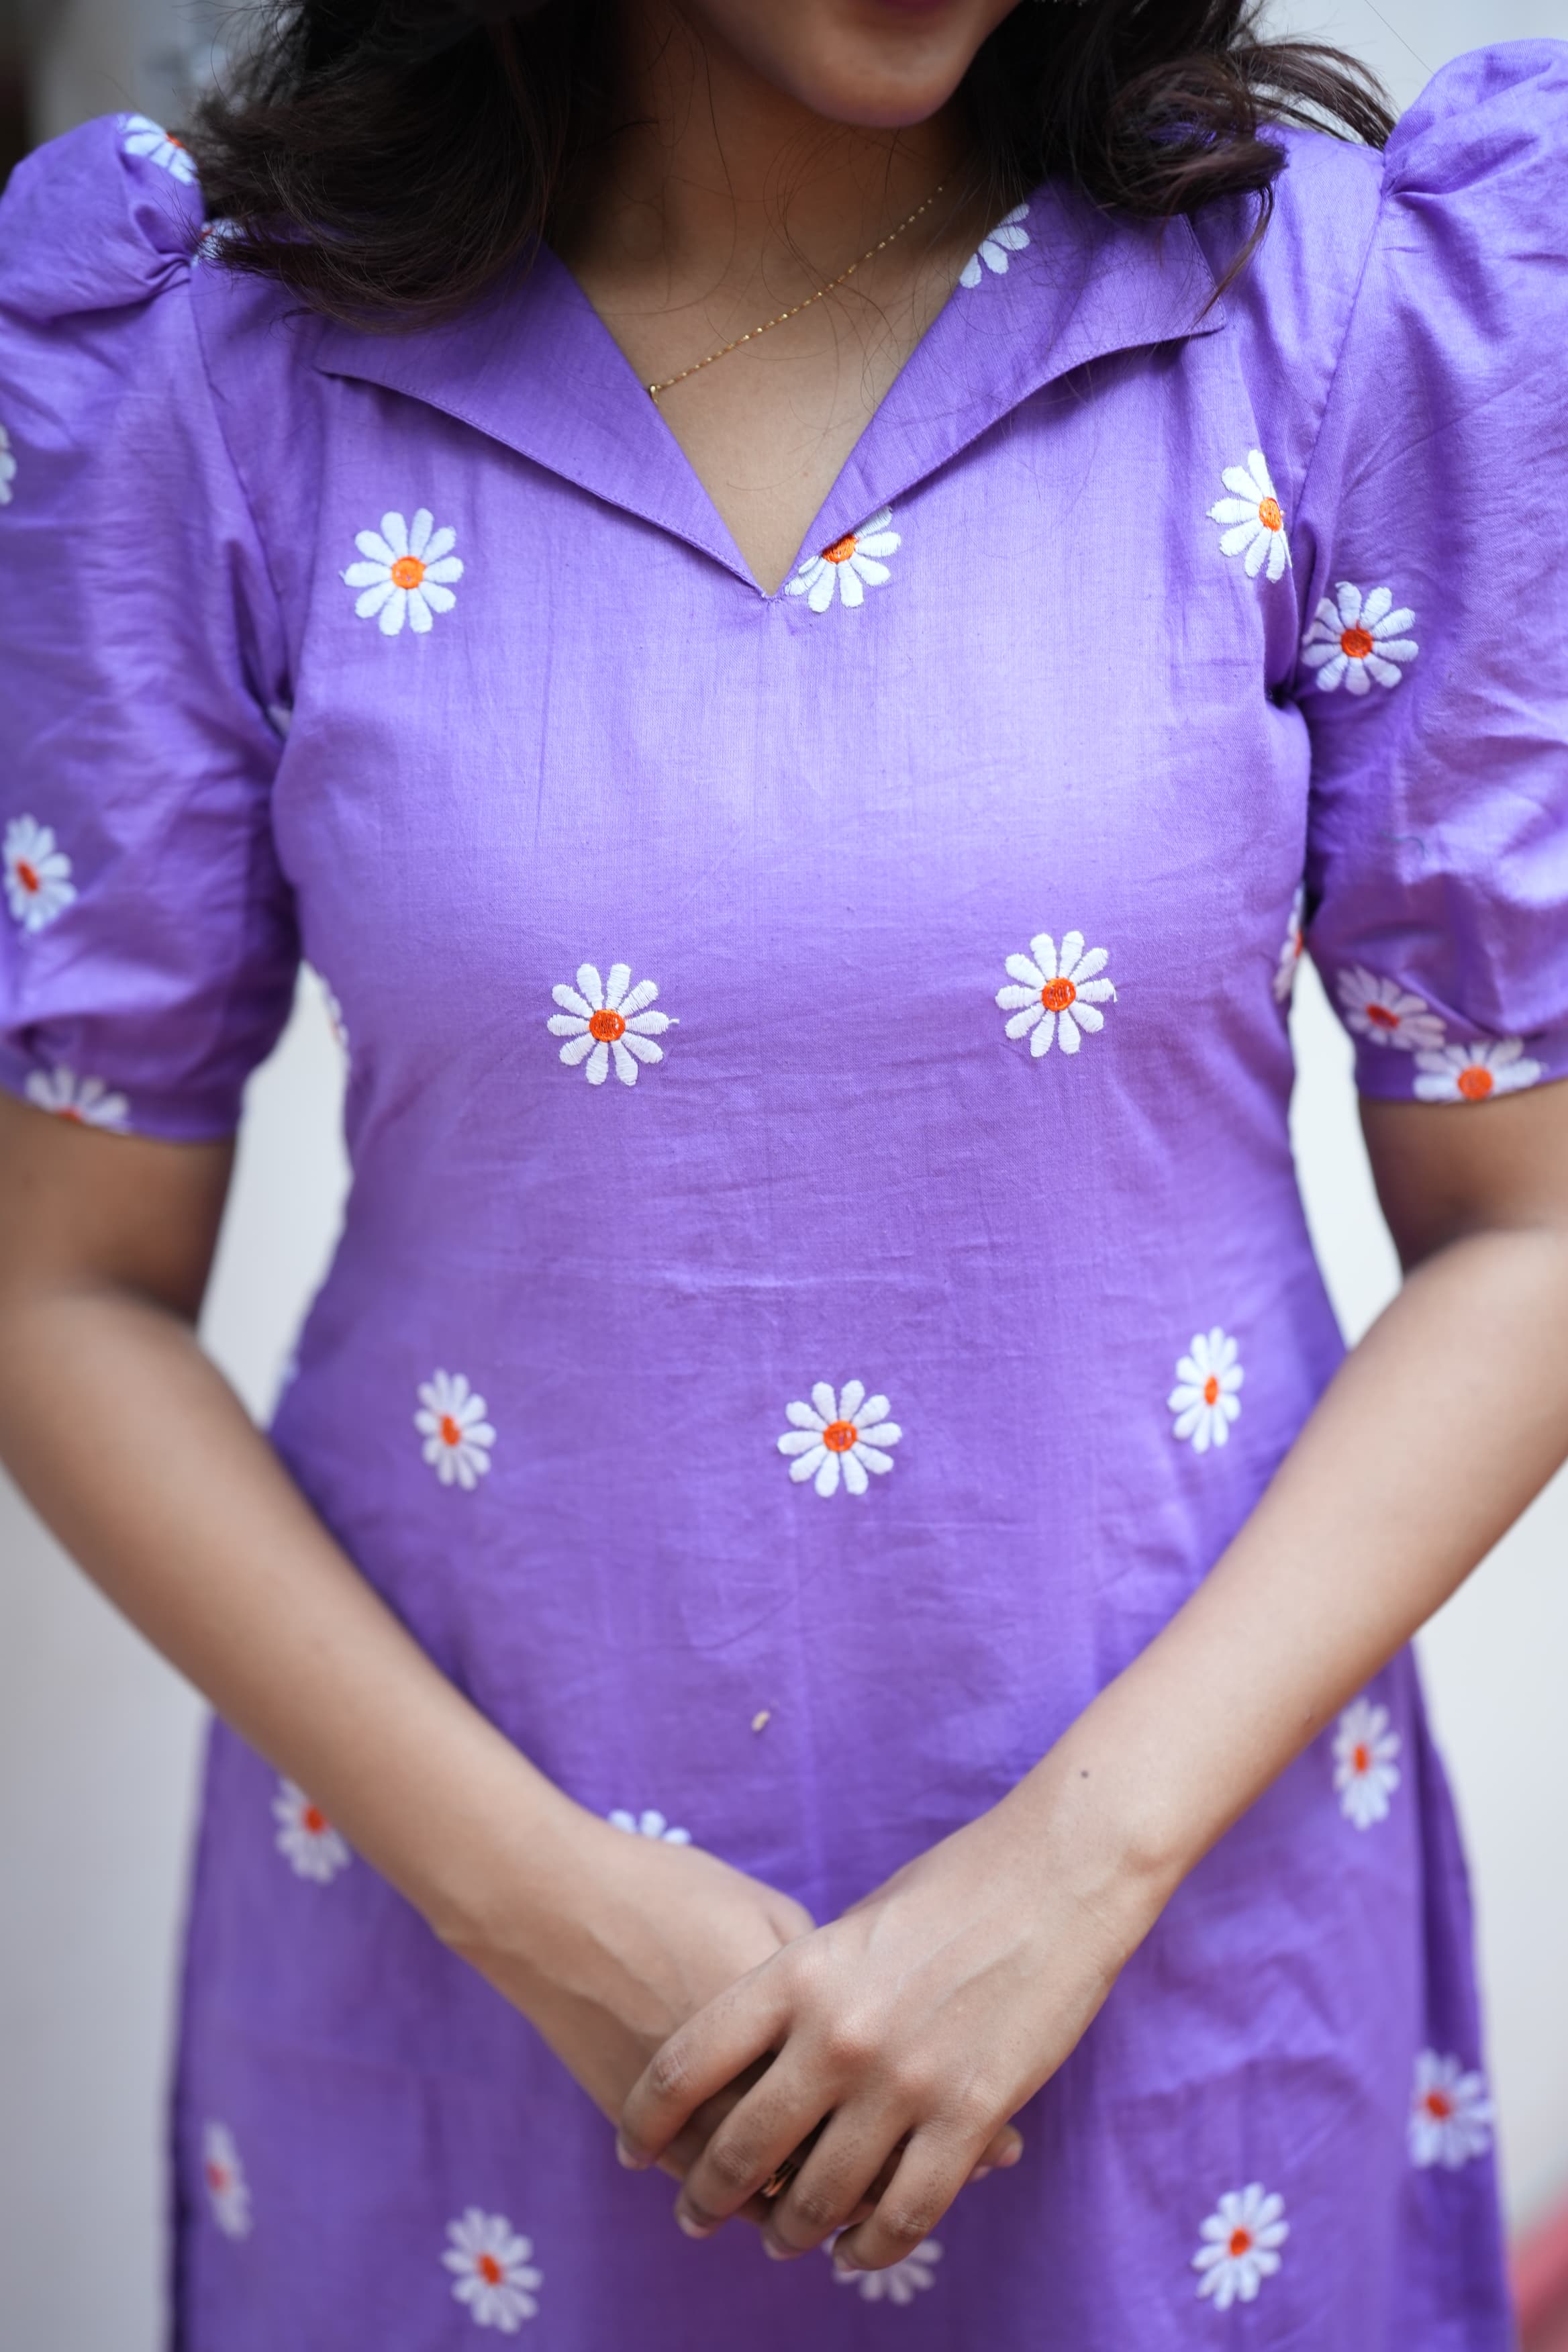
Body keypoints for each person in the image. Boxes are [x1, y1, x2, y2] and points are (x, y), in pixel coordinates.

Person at [0, 1, 1565, 2343]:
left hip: (1178, 1992)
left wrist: (1068, 1880)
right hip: (470, 2005)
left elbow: (1530, 1228)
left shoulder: (1335, 320)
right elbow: (63, 1290)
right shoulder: (223, 380)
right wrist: (543, 1911)